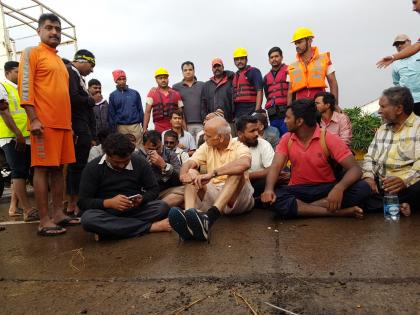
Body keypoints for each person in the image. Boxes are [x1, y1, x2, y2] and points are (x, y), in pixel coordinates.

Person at [18, 13, 79, 236]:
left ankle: (58, 214)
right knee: (42, 169)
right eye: (49, 28)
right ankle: (44, 221)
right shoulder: (31, 53)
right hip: (43, 123)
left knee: (59, 170)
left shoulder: (59, 61)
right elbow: (25, 87)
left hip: (62, 124)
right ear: (39, 31)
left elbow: (63, 95)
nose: (54, 32)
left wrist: (69, 124)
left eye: (57, 29)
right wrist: (33, 117)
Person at [261, 99, 371, 219]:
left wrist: (339, 188)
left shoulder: (328, 138)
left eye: (287, 118)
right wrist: (268, 189)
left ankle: (302, 208)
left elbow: (355, 169)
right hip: (298, 189)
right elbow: (276, 166)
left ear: (299, 121)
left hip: (326, 188)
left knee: (363, 188)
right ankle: (337, 212)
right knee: (273, 196)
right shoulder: (286, 139)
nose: (285, 121)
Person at [168, 116, 254, 242]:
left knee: (236, 172)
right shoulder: (207, 146)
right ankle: (189, 218)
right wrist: (184, 174)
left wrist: (212, 174)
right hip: (216, 195)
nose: (204, 138)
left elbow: (245, 164)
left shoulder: (240, 147)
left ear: (220, 138)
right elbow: (189, 162)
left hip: (237, 199)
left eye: (208, 136)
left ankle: (209, 218)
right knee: (192, 172)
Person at [78, 133, 170, 240]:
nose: (121, 165)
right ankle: (149, 227)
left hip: (134, 211)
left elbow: (153, 189)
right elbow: (83, 202)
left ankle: (111, 230)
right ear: (107, 155)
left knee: (162, 207)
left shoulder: (140, 162)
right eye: (116, 162)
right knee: (88, 220)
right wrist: (109, 203)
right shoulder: (92, 168)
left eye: (126, 161)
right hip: (107, 213)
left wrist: (142, 199)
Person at [363, 87, 419, 213]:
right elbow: (370, 157)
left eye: (383, 107)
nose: (379, 111)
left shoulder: (418, 127)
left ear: (399, 109)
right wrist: (368, 177)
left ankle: (387, 206)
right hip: (381, 187)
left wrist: (404, 181)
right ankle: (401, 207)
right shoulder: (382, 129)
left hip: (408, 187)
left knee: (417, 189)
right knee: (357, 187)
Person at [0, 61, 37, 221]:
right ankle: (27, 209)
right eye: (17, 71)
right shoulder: (3, 87)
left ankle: (19, 207)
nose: (20, 75)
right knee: (18, 172)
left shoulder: (20, 89)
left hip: (26, 136)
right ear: (8, 72)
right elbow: (5, 113)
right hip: (12, 137)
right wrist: (17, 134)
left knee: (25, 171)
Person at [65, 49, 97, 216]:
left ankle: (74, 203)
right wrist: (91, 100)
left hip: (81, 127)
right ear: (83, 61)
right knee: (77, 167)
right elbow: (72, 97)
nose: (91, 70)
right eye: (91, 66)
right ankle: (75, 204)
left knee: (77, 166)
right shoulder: (71, 72)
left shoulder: (78, 76)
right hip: (77, 126)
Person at [235, 115, 285, 199]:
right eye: (252, 131)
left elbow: (272, 169)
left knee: (272, 180)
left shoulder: (264, 144)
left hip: (257, 183)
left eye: (257, 130)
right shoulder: (231, 145)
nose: (257, 134)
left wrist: (247, 176)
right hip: (235, 184)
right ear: (240, 134)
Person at [287, 27, 339, 108]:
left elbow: (333, 83)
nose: (297, 45)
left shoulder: (324, 59)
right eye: (295, 43)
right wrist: (289, 111)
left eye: (300, 42)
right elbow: (290, 91)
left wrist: (335, 105)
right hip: (301, 109)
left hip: (319, 107)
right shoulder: (292, 66)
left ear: (310, 41)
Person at [139, 130, 183, 207]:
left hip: (165, 192)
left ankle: (156, 207)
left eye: (158, 148)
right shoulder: (137, 156)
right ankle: (157, 207)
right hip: (145, 194)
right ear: (143, 145)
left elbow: (179, 179)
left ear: (161, 143)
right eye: (151, 149)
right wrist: (146, 167)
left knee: (186, 190)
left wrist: (164, 166)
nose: (155, 152)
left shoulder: (170, 154)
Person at [376, 1, 420, 68]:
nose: (414, 8)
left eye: (415, 2)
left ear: (409, 41)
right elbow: (417, 46)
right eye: (396, 45)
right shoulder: (397, 65)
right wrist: (393, 57)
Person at [108, 69, 144, 148]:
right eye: (119, 79)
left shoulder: (135, 93)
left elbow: (140, 110)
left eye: (124, 79)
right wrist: (113, 131)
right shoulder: (113, 95)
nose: (122, 81)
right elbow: (111, 114)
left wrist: (144, 127)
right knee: (123, 148)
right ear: (115, 81)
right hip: (121, 127)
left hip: (135, 126)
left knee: (139, 149)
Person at [387, 35, 420, 116]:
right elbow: (397, 83)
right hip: (410, 102)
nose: (399, 46)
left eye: (401, 43)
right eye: (397, 45)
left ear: (409, 41)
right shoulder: (395, 64)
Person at [143, 68, 184, 133]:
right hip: (159, 128)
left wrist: (184, 129)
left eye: (165, 78)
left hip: (174, 128)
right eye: (160, 78)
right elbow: (147, 112)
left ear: (168, 79)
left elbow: (182, 113)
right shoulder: (152, 93)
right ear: (156, 80)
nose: (163, 80)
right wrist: (144, 128)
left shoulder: (176, 94)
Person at [173, 61, 205, 139]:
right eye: (185, 70)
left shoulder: (203, 85)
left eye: (190, 70)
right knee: (188, 149)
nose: (188, 72)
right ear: (182, 72)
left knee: (201, 147)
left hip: (201, 124)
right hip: (185, 125)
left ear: (194, 71)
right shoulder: (176, 87)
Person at [263, 47, 289, 137]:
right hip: (272, 112)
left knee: (287, 135)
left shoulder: (289, 71)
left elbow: (293, 90)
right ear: (269, 60)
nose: (274, 59)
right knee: (275, 136)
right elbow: (267, 94)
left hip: (285, 110)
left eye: (276, 56)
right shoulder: (266, 77)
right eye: (271, 57)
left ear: (281, 57)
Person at [201, 58, 234, 125]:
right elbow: (203, 105)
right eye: (214, 67)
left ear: (223, 67)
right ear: (212, 69)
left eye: (219, 66)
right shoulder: (206, 85)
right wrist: (205, 118)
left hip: (229, 121)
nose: (217, 68)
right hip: (212, 122)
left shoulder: (230, 82)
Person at [232, 48, 264, 119]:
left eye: (242, 59)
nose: (239, 61)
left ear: (246, 60)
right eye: (237, 59)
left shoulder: (254, 72)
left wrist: (257, 111)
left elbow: (260, 91)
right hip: (239, 111)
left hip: (251, 107)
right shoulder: (235, 75)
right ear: (234, 61)